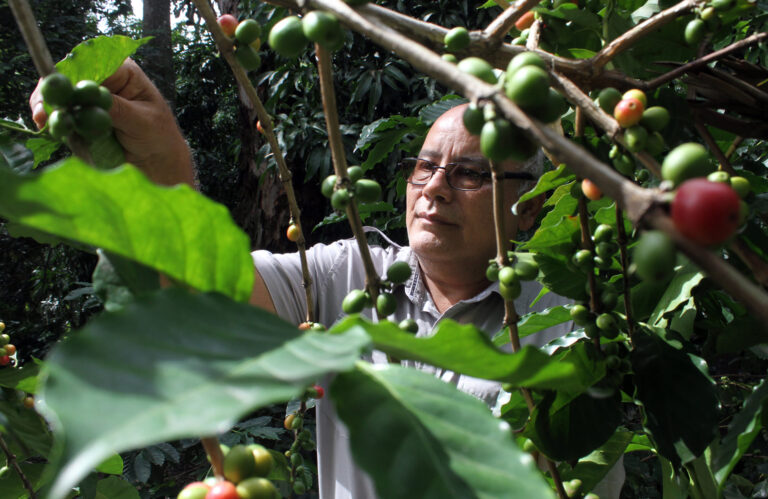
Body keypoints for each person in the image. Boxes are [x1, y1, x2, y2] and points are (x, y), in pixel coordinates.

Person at [30, 61, 623, 498]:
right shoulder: (350, 273)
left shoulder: (563, 325)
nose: (435, 187)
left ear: (529, 207)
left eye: (470, 172)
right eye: (424, 166)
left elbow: (581, 473)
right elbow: (200, 296)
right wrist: (163, 174)